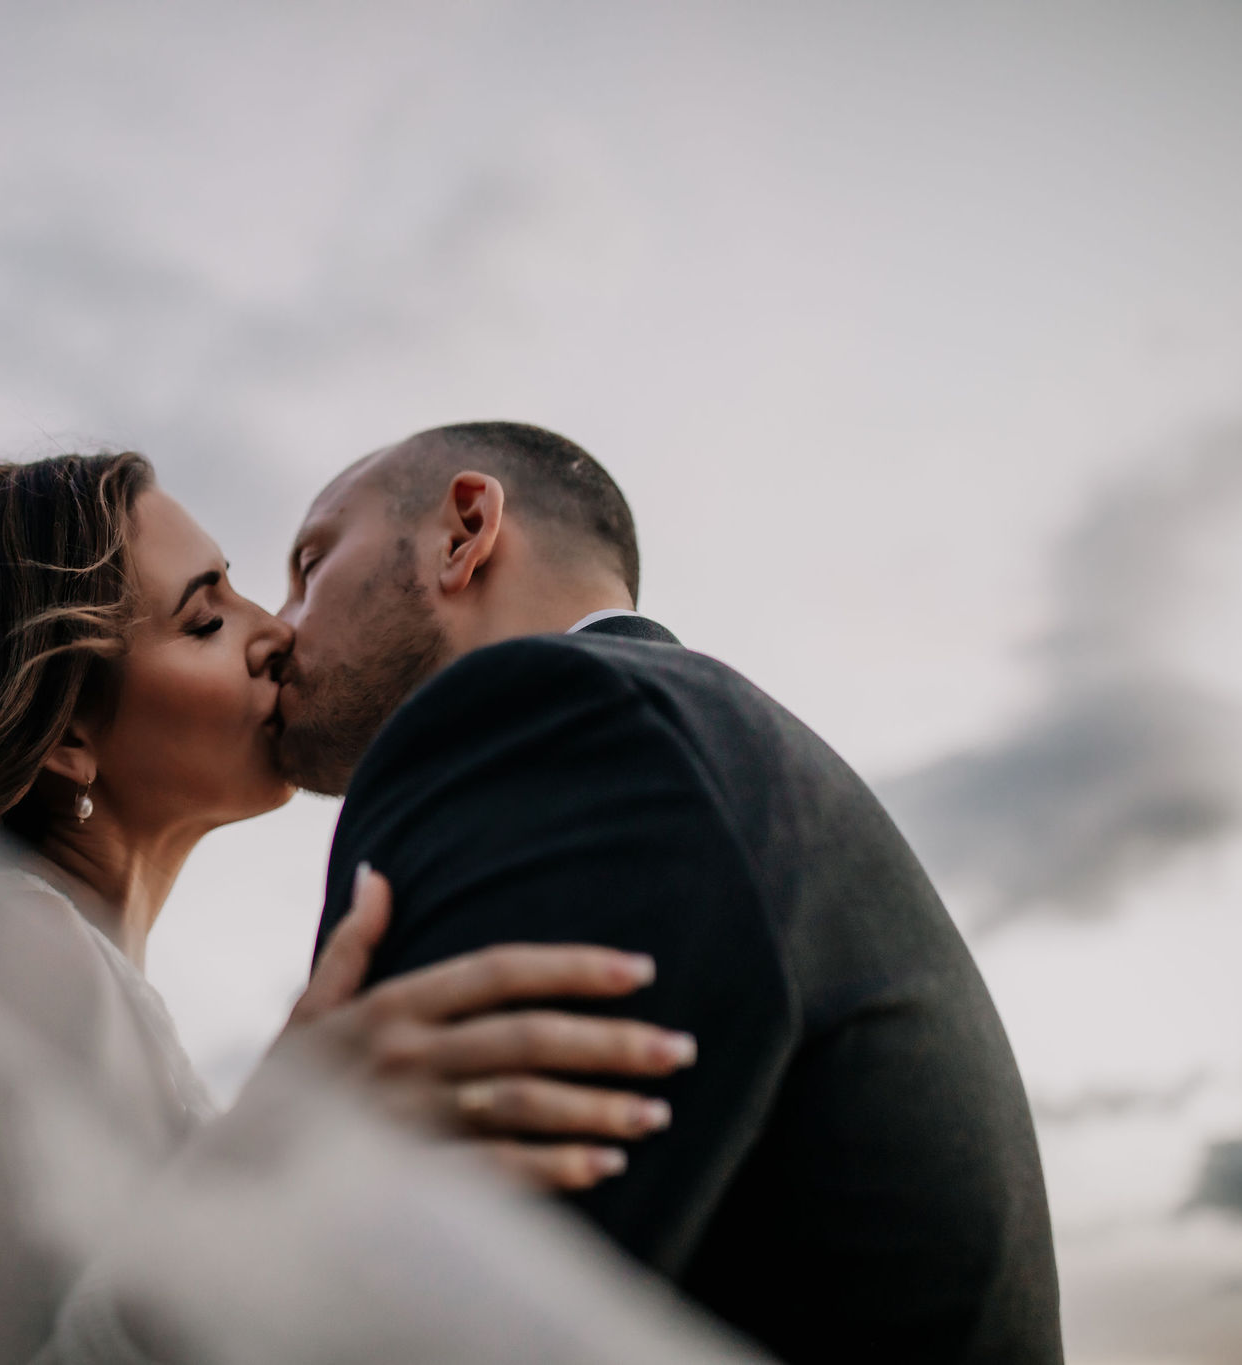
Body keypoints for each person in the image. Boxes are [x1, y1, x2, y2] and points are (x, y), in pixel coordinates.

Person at [0, 451, 700, 1357]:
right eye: (204, 621)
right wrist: (291, 1133)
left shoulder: (36, 950)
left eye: (241, 588)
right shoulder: (25, 946)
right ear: (68, 738)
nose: (275, 633)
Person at [274, 421, 1064, 1365]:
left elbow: (403, 1325)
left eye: (311, 564)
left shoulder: (551, 719)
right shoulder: (704, 739)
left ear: (465, 530)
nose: (278, 624)